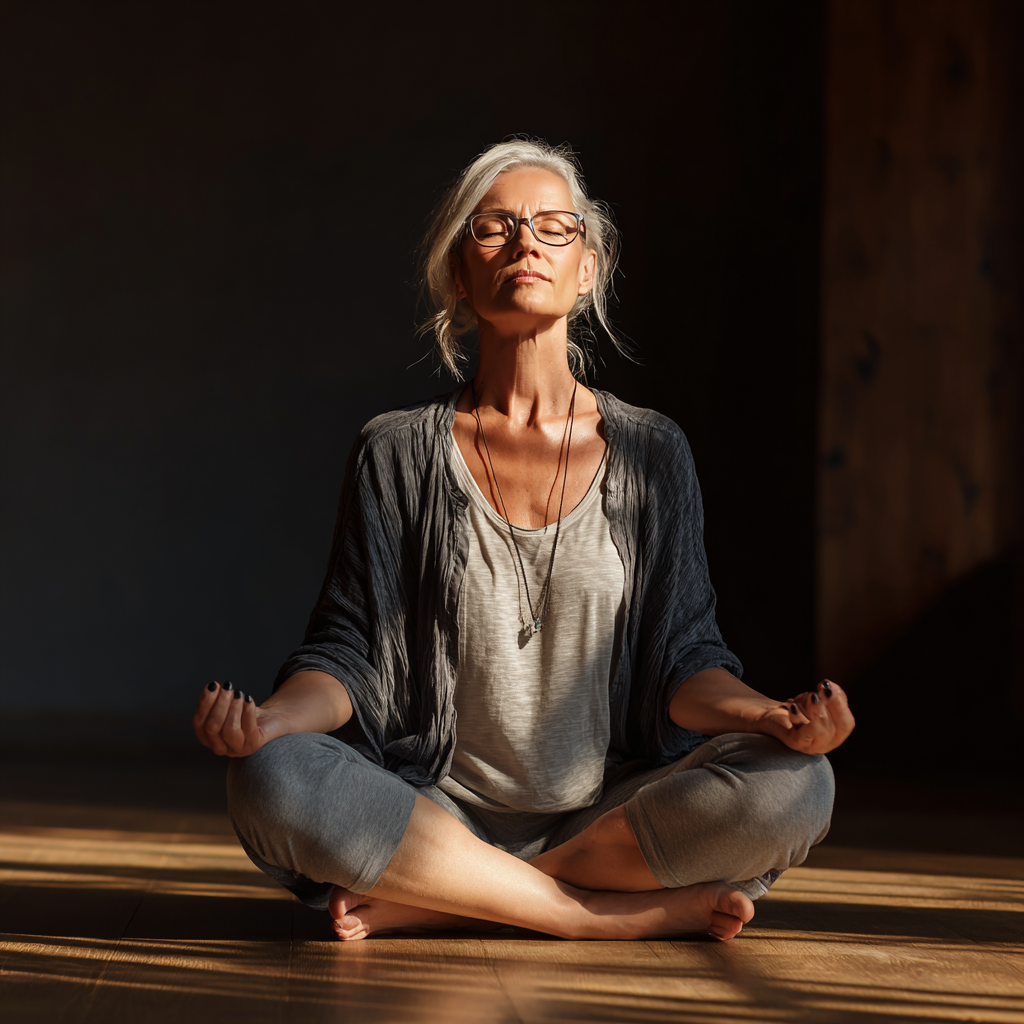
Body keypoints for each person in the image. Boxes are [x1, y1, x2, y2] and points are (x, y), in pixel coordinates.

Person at [191, 139, 854, 942]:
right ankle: (589, 918)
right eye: (494, 227)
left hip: (609, 814)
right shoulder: (397, 451)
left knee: (799, 784)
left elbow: (685, 658)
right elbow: (348, 654)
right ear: (458, 276)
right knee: (269, 779)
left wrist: (772, 717)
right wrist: (268, 724)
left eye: (551, 226)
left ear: (588, 269)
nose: (525, 242)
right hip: (432, 811)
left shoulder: (652, 452)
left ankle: (453, 901)